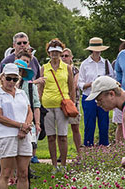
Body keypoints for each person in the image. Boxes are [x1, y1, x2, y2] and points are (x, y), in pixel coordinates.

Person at [0, 63, 33, 189]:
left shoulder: (22, 93)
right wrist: (20, 125)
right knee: (6, 172)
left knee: (23, 172)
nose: (11, 82)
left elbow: (29, 111)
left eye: (14, 79)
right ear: (2, 78)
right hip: (6, 135)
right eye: (8, 78)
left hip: (23, 134)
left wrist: (26, 126)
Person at [38, 38, 75, 173]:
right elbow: (41, 88)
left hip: (62, 105)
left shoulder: (67, 68)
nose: (55, 54)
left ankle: (64, 165)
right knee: (51, 137)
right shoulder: (44, 68)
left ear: (61, 53)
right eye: (52, 51)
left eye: (57, 51)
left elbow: (71, 88)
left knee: (63, 136)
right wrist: (39, 104)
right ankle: (54, 165)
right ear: (49, 53)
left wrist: (73, 103)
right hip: (47, 105)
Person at [78, 37, 115, 147]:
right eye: (95, 49)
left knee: (104, 124)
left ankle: (104, 147)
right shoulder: (85, 64)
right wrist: (91, 84)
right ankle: (88, 147)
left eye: (99, 49)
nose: (97, 51)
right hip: (89, 96)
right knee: (89, 124)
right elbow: (80, 83)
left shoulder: (106, 63)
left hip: (103, 97)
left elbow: (111, 79)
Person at [61, 48, 82, 153]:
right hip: (60, 101)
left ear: (71, 57)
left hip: (73, 101)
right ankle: (62, 152)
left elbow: (74, 85)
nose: (64, 58)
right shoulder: (58, 70)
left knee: (75, 127)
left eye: (66, 56)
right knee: (61, 130)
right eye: (62, 56)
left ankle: (80, 153)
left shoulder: (75, 70)